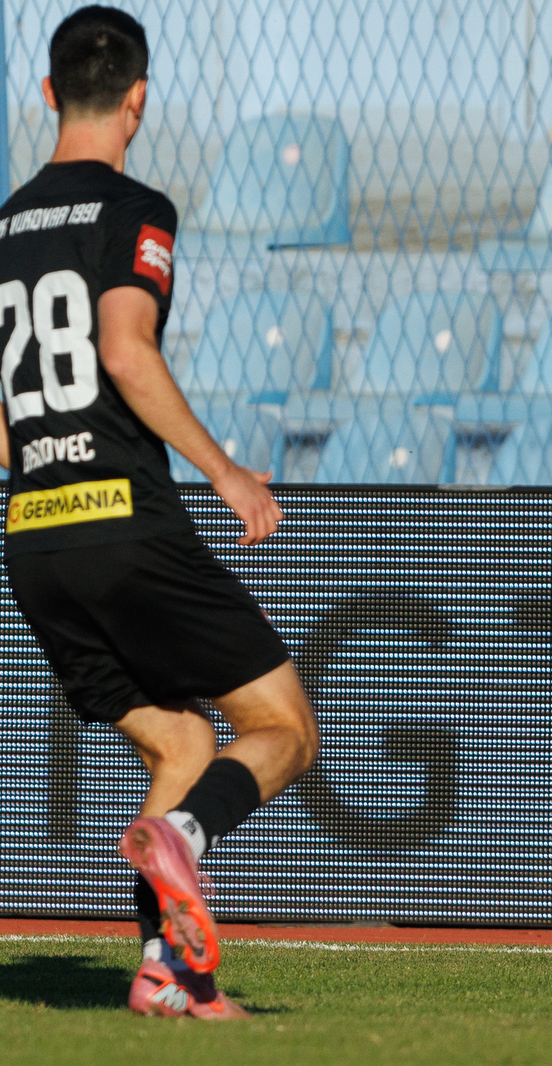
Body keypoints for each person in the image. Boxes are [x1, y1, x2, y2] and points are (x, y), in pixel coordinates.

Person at [0, 7, 317, 1018]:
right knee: (282, 726)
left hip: (35, 538)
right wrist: (228, 473)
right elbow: (126, 349)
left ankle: (168, 975)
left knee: (182, 747)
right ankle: (186, 839)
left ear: (48, 95)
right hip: (125, 525)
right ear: (138, 99)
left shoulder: (3, 229)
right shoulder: (137, 208)